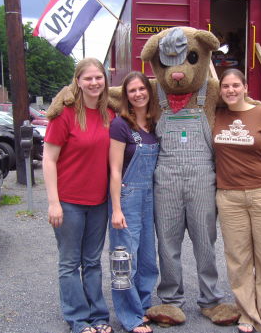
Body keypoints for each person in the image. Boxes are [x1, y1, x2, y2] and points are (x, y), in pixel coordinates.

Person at [213, 68, 261, 333]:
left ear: (245, 87)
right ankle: (247, 313)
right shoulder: (217, 114)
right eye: (226, 86)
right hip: (229, 196)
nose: (230, 90)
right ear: (220, 90)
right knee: (238, 259)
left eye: (236, 85)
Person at [43, 58, 114, 333]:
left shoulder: (110, 113)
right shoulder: (65, 114)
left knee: (93, 262)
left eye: (99, 77)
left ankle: (98, 316)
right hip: (69, 202)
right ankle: (77, 319)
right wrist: (53, 202)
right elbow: (48, 159)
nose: (94, 82)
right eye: (88, 78)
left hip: (99, 202)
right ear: (78, 81)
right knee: (70, 262)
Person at [108, 71, 158, 333]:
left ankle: (143, 304)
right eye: (132, 90)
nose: (138, 94)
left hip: (149, 197)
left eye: (142, 89)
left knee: (148, 258)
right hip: (127, 197)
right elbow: (115, 170)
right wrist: (116, 208)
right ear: (125, 96)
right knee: (124, 258)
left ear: (149, 91)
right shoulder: (120, 125)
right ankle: (129, 316)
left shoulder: (153, 124)